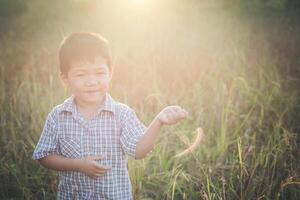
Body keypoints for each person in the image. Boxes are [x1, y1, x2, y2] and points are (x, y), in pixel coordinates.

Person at [32, 32, 188, 200]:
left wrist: (158, 121)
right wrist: (78, 165)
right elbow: (44, 156)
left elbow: (139, 151)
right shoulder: (58, 116)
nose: (92, 81)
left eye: (99, 73)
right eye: (81, 74)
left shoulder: (122, 114)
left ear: (110, 73)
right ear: (65, 79)